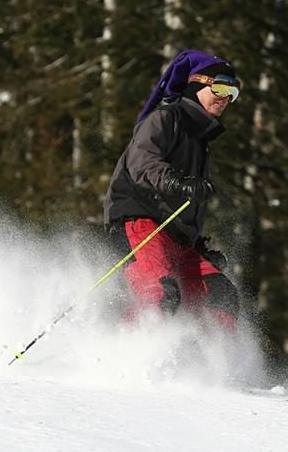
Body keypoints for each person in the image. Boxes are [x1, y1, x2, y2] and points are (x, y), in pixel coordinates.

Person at [103, 49, 243, 329]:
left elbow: (185, 204)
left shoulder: (199, 139)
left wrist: (195, 243)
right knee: (161, 294)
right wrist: (177, 182)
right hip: (141, 223)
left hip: (176, 240)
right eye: (221, 86)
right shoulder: (166, 118)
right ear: (196, 83)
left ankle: (202, 365)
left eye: (234, 92)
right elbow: (142, 161)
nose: (227, 97)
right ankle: (115, 350)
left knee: (221, 296)